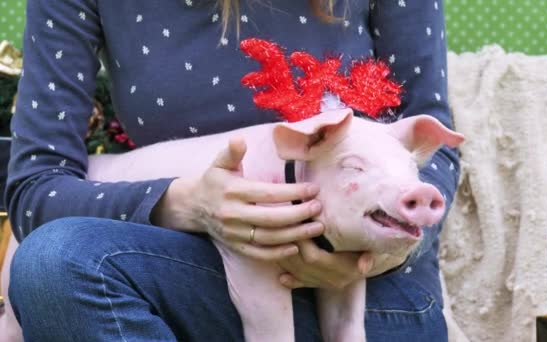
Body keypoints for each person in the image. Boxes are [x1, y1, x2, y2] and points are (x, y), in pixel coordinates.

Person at [4, 0, 460, 340]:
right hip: (184, 278)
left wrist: (370, 256)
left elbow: (432, 149)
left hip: (374, 299)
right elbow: (36, 188)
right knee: (54, 260)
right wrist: (189, 204)